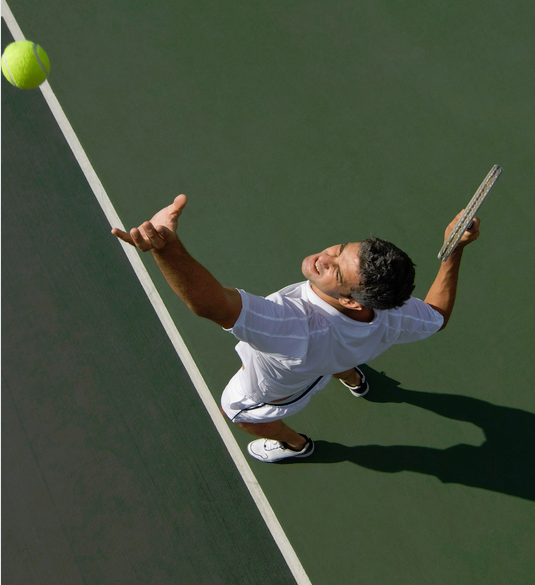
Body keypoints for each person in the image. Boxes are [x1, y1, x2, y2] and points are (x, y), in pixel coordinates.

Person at [112, 194, 480, 463]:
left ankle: (295, 445)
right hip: (337, 353)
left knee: (236, 412)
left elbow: (211, 305)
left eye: (335, 269)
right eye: (338, 249)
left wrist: (165, 248)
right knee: (336, 354)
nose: (323, 258)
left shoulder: (295, 325)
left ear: (353, 301)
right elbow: (437, 315)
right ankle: (354, 379)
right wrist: (454, 251)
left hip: (284, 384)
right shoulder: (396, 310)